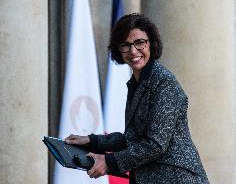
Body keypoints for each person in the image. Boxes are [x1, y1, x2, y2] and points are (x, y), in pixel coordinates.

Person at [65, 13, 210, 184]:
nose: (133, 51)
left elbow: (155, 145)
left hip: (176, 178)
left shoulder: (164, 82)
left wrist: (108, 162)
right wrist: (92, 140)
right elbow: (133, 139)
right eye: (125, 45)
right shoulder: (137, 82)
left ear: (151, 44)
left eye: (139, 42)